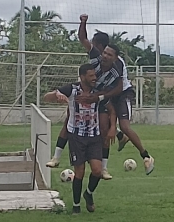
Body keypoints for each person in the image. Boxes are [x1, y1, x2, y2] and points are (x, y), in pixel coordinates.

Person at [76, 14, 154, 176]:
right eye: (104, 53)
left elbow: (118, 89)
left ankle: (146, 156)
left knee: (125, 126)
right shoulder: (96, 57)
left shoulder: (116, 68)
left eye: (109, 55)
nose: (105, 56)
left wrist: (101, 97)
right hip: (107, 94)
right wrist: (83, 22)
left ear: (115, 58)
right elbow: (82, 38)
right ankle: (104, 167)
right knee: (104, 128)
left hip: (121, 94)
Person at [44, 63, 117, 214]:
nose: (94, 78)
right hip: (76, 137)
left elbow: (111, 110)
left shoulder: (97, 93)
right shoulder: (72, 89)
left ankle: (88, 194)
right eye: (91, 76)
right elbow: (47, 97)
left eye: (95, 76)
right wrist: (56, 95)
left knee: (97, 171)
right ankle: (76, 206)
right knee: (80, 172)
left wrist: (112, 128)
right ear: (82, 77)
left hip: (94, 136)